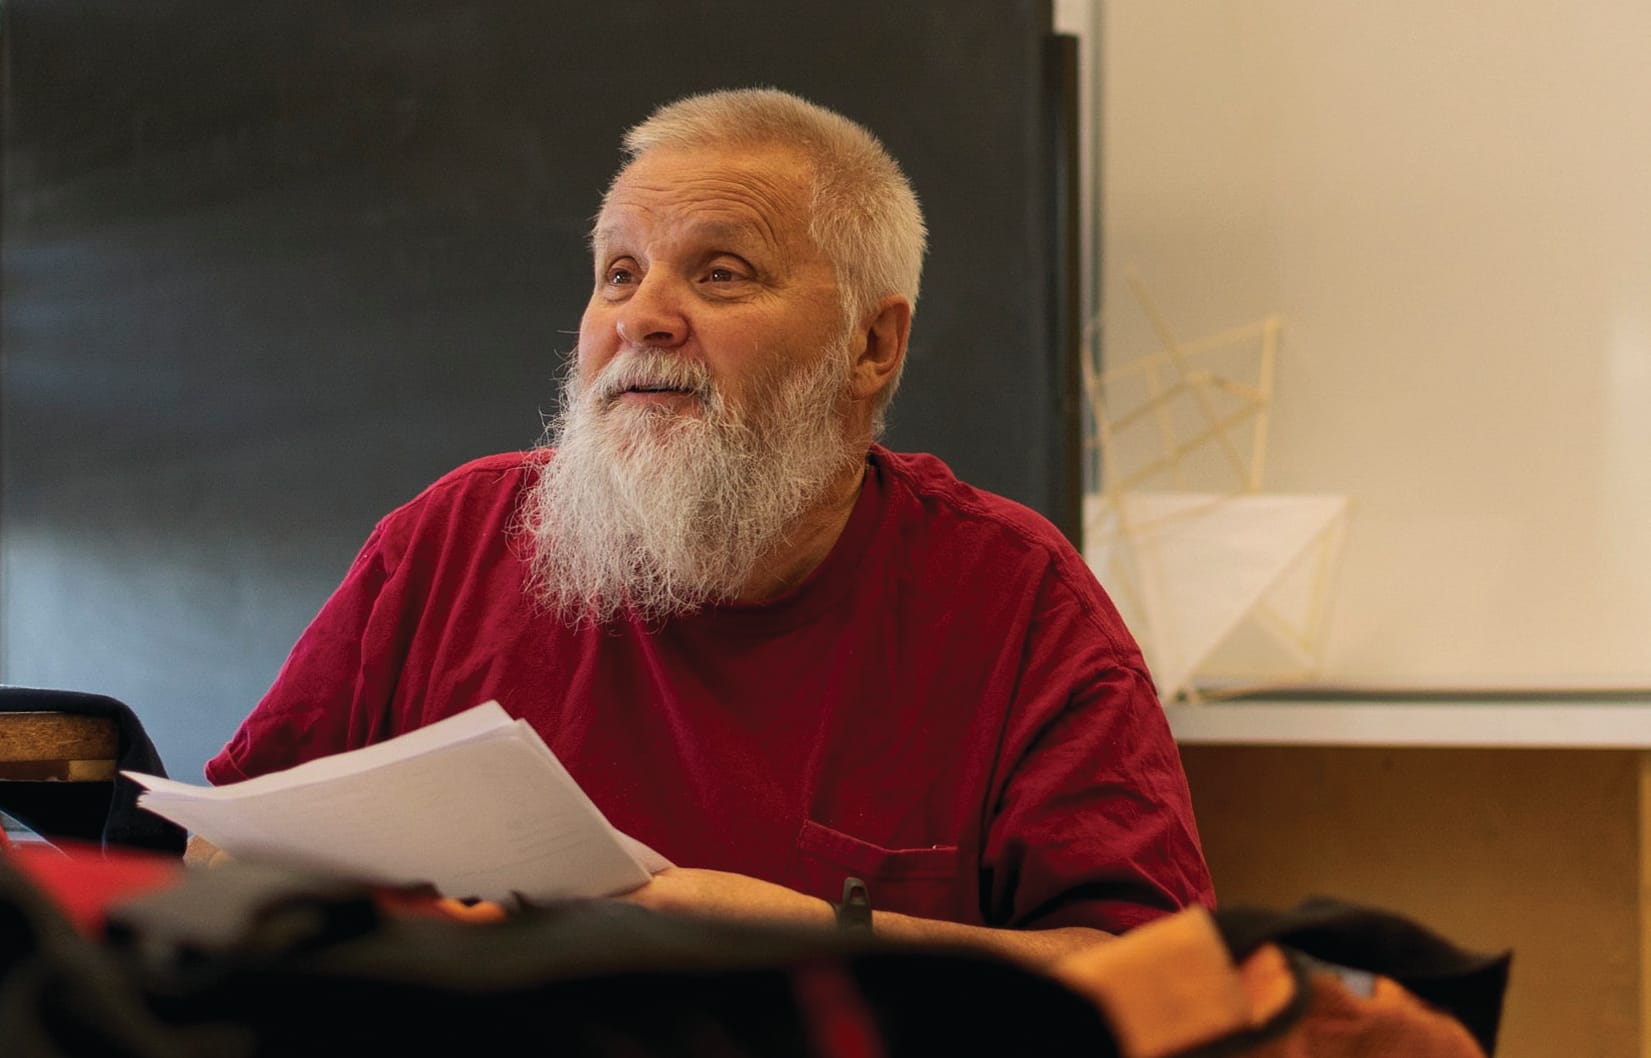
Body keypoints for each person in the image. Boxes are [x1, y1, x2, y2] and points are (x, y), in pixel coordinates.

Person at [195, 87, 1213, 966]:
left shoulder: (1015, 602)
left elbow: (1164, 981)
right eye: (618, 272)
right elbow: (221, 850)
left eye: (720, 272)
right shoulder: (450, 541)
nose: (643, 317)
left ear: (871, 343)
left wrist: (822, 940)